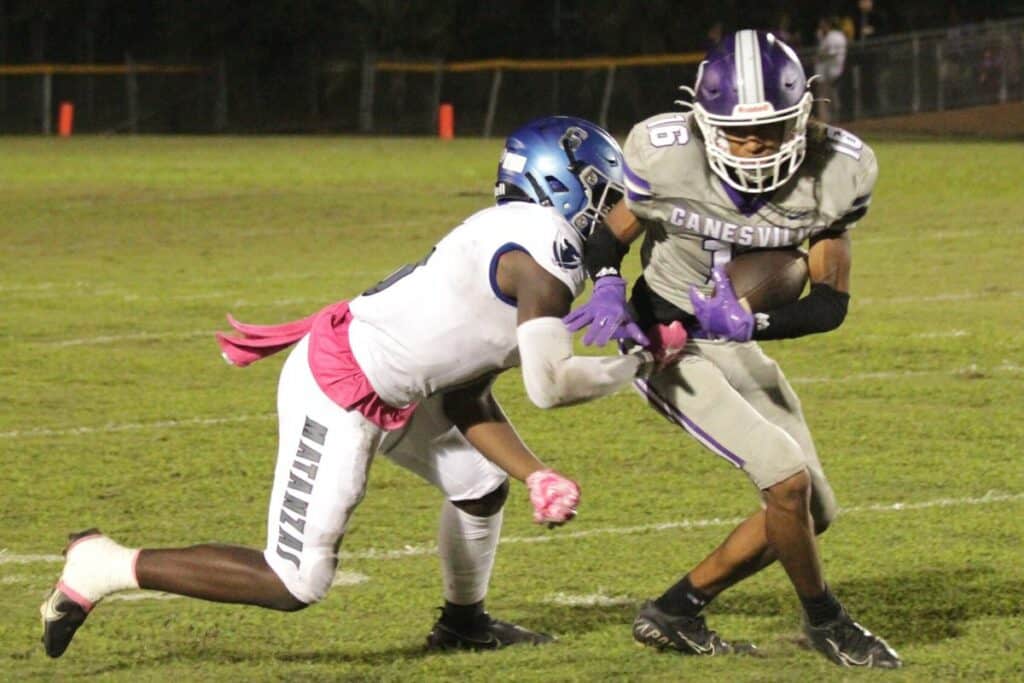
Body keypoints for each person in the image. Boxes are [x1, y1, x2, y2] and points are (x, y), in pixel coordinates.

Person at [40, 116, 682, 659]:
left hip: (395, 385)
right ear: (564, 184)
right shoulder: (545, 246)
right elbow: (549, 386)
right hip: (339, 387)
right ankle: (106, 564)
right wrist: (642, 364)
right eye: (605, 194)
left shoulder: (520, 239)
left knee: (480, 486)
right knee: (294, 580)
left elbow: (465, 395)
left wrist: (534, 472)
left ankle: (463, 625)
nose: (614, 212)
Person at [564, 30, 902, 669]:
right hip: (666, 344)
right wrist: (608, 285)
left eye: (770, 128)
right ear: (703, 120)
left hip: (732, 338)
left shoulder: (838, 172)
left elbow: (830, 303)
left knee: (813, 508)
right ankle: (827, 623)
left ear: (801, 116)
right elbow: (609, 236)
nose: (753, 144)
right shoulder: (666, 157)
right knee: (786, 479)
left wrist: (753, 325)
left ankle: (675, 610)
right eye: (738, 131)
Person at [814, 16, 848, 123]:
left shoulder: (835, 37)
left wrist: (818, 57)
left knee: (834, 96)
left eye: (823, 25)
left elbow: (830, 54)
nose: (821, 28)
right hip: (828, 72)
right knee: (828, 96)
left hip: (836, 70)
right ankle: (830, 119)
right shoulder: (823, 36)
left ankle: (837, 119)